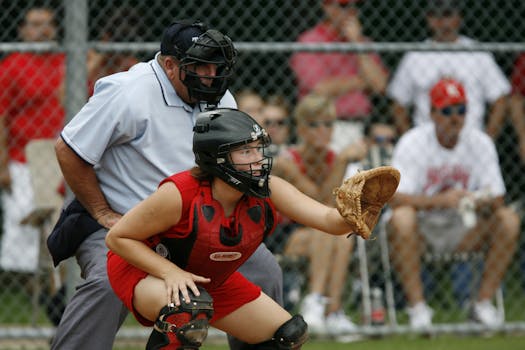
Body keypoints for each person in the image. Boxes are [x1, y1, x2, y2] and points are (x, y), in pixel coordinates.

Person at [48, 20, 283, 350]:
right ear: (169, 65)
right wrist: (102, 212)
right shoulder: (129, 92)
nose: (211, 76)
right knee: (106, 284)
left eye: (216, 67)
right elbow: (69, 150)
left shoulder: (220, 98)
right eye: (200, 67)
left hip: (195, 224)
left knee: (265, 270)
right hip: (125, 224)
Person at [105, 108, 373, 349]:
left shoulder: (269, 189)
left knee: (287, 335)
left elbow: (329, 221)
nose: (258, 158)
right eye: (246, 151)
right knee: (186, 310)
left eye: (259, 149)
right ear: (217, 158)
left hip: (206, 276)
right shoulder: (180, 194)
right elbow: (118, 237)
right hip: (145, 269)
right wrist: (169, 272)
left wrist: (362, 210)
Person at [386, 78, 520, 329]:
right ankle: (418, 309)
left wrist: (474, 200)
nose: (455, 117)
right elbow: (394, 197)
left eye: (461, 110)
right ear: (433, 113)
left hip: (464, 227)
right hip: (422, 229)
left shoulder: (480, 142)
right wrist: (440, 201)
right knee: (402, 218)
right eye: (447, 111)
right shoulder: (413, 142)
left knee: (509, 220)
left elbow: (498, 196)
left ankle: (482, 305)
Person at [274, 94, 362, 335]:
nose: (323, 130)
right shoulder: (287, 161)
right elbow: (319, 201)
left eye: (328, 124)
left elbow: (330, 208)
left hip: (321, 233)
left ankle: (332, 311)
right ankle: (316, 304)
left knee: (342, 235)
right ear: (301, 129)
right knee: (328, 228)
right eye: (314, 125)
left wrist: (341, 162)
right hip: (287, 234)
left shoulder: (334, 159)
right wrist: (343, 161)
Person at [0, 6, 65, 273]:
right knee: (21, 225)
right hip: (22, 158)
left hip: (64, 158)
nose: (42, 30)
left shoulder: (67, 60)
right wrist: (2, 164)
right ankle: (24, 286)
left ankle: (55, 290)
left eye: (47, 24)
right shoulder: (12, 65)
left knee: (60, 223)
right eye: (35, 24)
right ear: (22, 30)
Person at [386, 0, 510, 138]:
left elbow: (500, 98)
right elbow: (398, 102)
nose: (442, 22)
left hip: (470, 138)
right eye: (435, 16)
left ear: (459, 17)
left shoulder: (477, 53)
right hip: (426, 141)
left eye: (447, 15)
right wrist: (411, 140)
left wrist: (487, 139)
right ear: (428, 19)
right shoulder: (415, 55)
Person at [289, 0, 388, 153]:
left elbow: (380, 85)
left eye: (355, 6)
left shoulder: (363, 43)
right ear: (326, 7)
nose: (351, 11)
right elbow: (321, 89)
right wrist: (363, 81)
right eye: (343, 6)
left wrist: (357, 44)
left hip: (360, 126)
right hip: (321, 126)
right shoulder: (310, 41)